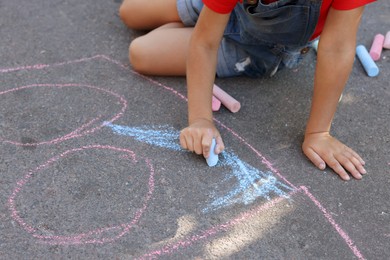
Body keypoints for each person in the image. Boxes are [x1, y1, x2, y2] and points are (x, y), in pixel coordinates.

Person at [119, 0, 376, 181]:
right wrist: (200, 119)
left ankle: (196, 22)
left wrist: (319, 132)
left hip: (261, 50)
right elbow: (205, 42)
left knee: (140, 52)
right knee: (130, 11)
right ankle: (205, 16)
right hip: (231, 12)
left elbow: (338, 47)